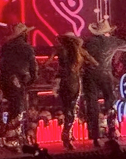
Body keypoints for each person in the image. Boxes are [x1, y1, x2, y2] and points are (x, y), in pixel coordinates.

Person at [81, 17, 125, 145]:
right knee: (110, 100)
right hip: (105, 74)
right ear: (107, 32)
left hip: (89, 75)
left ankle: (94, 135)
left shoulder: (88, 42)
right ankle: (111, 130)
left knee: (92, 104)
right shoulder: (112, 41)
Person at [0, 23, 37, 146]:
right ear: (24, 34)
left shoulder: (6, 47)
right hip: (18, 80)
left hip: (5, 80)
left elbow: (1, 65)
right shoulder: (27, 48)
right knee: (18, 108)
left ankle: (11, 136)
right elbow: (33, 68)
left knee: (12, 106)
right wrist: (31, 80)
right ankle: (13, 138)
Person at [53, 32, 90, 151]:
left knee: (66, 108)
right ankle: (67, 134)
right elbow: (94, 63)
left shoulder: (60, 50)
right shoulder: (79, 52)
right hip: (74, 81)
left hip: (62, 81)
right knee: (72, 108)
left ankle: (67, 135)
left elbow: (48, 63)